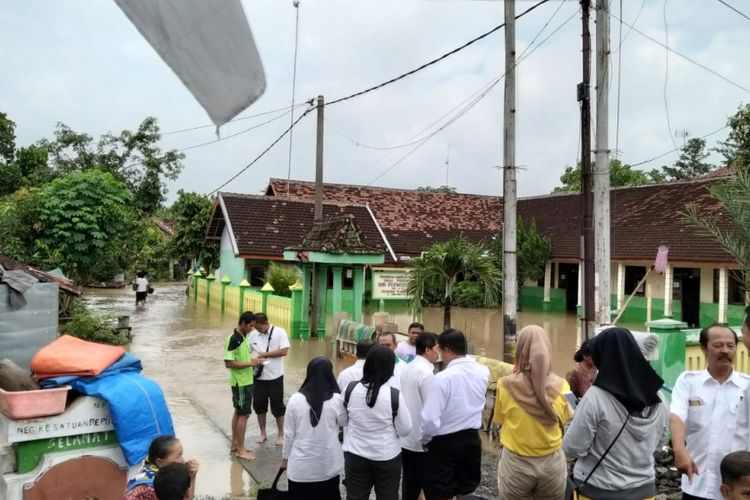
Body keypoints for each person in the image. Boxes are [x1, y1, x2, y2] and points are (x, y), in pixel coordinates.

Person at [563, 327, 667, 500]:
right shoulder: (660, 397)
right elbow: (660, 443)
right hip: (644, 492)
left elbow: (572, 448)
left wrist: (572, 419)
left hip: (598, 491)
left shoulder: (596, 397)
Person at [670, 324, 750, 500]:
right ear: (703, 348)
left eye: (730, 346)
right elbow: (677, 416)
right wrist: (679, 451)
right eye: (718, 345)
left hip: (736, 490)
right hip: (696, 483)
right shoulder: (688, 381)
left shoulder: (747, 386)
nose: (725, 350)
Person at [494, 325, 572, 500]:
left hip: (516, 464)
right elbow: (565, 420)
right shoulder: (563, 386)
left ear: (520, 349)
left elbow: (499, 420)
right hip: (551, 463)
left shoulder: (505, 385)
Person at [421, 329, 489, 500]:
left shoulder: (442, 378)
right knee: (465, 489)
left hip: (445, 443)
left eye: (440, 351)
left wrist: (425, 439)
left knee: (440, 492)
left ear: (448, 350)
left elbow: (429, 418)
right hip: (472, 438)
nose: (439, 356)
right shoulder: (483, 371)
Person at [342, 346, 411, 500]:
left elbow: (341, 419)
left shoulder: (350, 389)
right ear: (390, 369)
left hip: (355, 454)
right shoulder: (394, 395)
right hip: (386, 456)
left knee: (355, 497)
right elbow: (405, 429)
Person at [282, 357, 345, 500]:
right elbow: (343, 422)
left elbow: (288, 434)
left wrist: (285, 459)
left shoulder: (295, 399)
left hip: (301, 468)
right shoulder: (336, 399)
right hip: (328, 465)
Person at [400, 332, 439, 500]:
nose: (439, 352)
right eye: (437, 348)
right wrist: (430, 438)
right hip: (422, 440)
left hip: (407, 436)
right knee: (427, 484)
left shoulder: (408, 367)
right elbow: (431, 411)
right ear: (428, 349)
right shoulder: (427, 374)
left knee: (410, 482)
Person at [224, 311, 261, 460]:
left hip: (245, 380)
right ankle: (240, 450)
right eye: (251, 326)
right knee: (244, 414)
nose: (252, 329)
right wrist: (251, 363)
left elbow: (241, 358)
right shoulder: (233, 339)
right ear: (243, 324)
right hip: (241, 383)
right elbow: (228, 363)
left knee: (239, 412)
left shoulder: (243, 336)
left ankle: (236, 444)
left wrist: (253, 361)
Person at [249, 313, 291, 446]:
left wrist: (264, 354)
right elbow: (247, 352)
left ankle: (280, 434)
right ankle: (263, 433)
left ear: (265, 323)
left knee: (278, 406)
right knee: (259, 406)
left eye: (259, 327)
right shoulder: (253, 335)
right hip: (258, 377)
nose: (257, 330)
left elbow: (284, 351)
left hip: (275, 377)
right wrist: (253, 360)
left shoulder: (279, 332)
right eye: (255, 327)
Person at [124, 436, 199, 500]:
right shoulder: (158, 485)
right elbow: (187, 497)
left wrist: (191, 475)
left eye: (181, 454)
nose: (182, 460)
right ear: (159, 462)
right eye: (178, 456)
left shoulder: (148, 466)